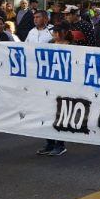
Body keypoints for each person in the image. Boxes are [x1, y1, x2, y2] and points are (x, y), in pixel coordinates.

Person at [36, 23, 72, 156]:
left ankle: (60, 144)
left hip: (64, 87)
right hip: (49, 85)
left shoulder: (72, 46)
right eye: (54, 32)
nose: (55, 34)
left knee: (60, 115)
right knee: (48, 115)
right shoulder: (49, 45)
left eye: (58, 31)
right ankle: (49, 143)